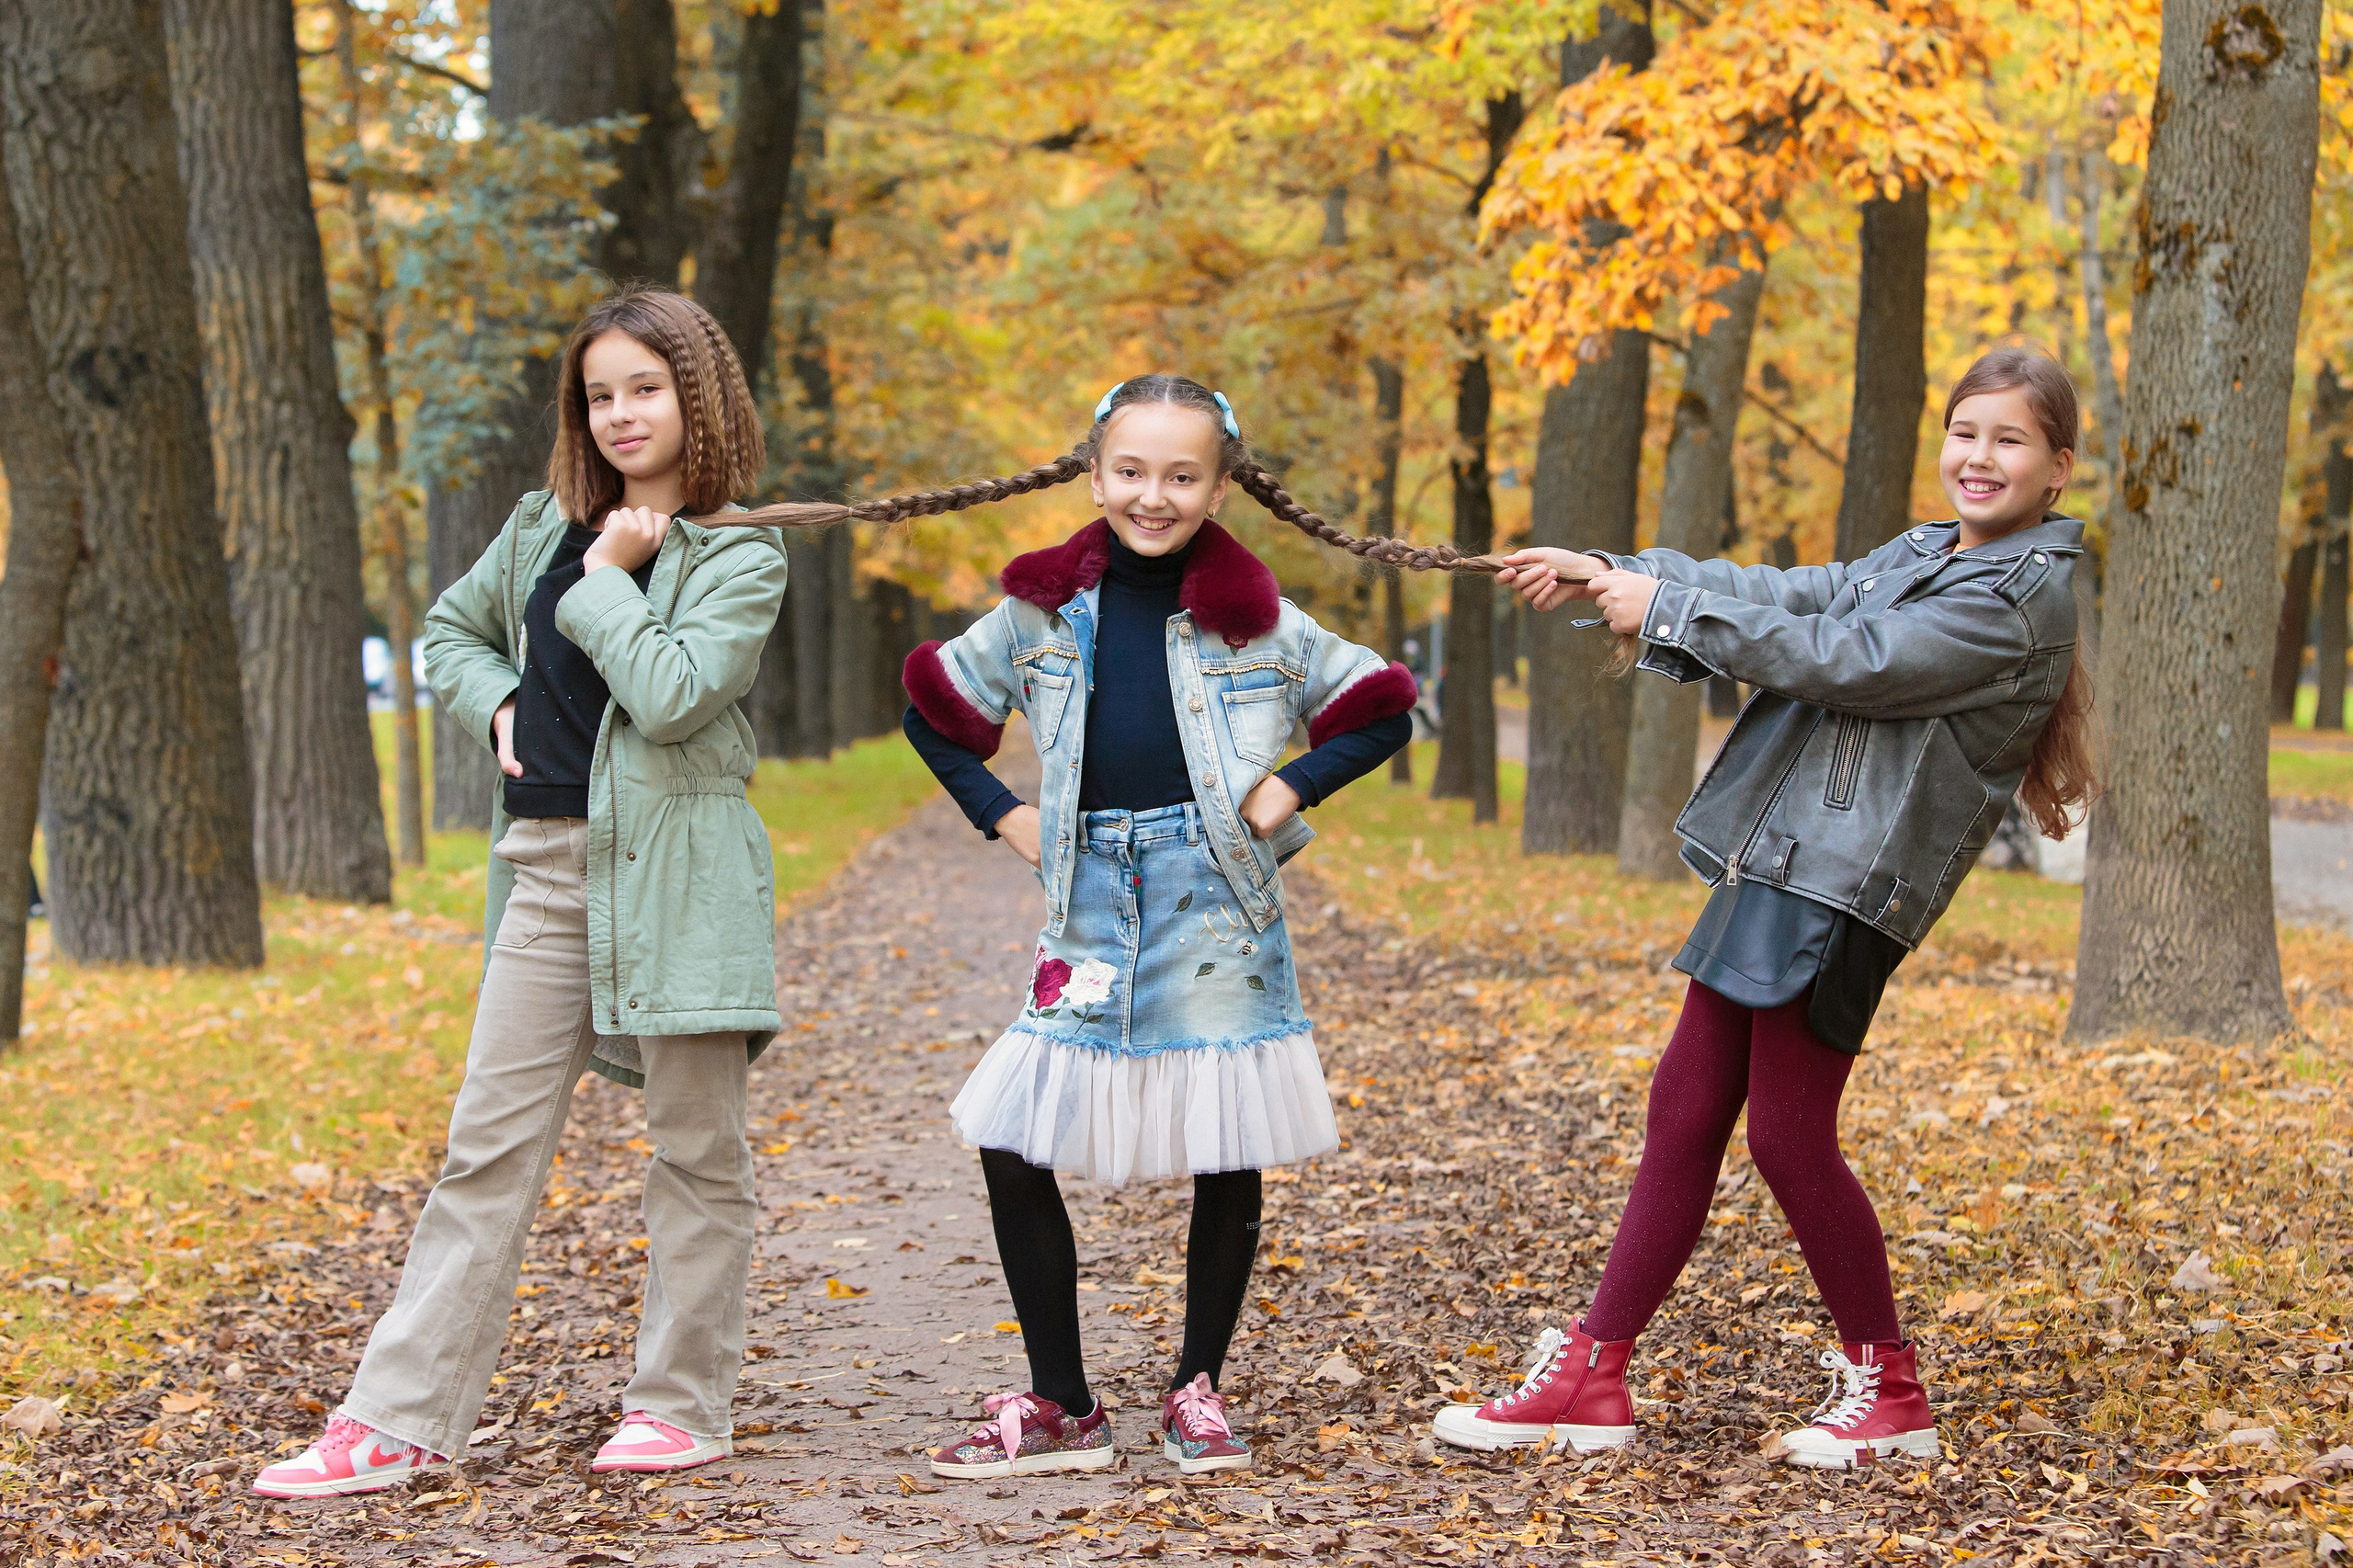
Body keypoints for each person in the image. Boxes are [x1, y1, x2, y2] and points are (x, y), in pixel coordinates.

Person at [1433, 346, 2097, 1470]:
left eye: (2009, 440)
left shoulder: (2016, 597)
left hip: (1840, 886)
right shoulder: (1926, 551)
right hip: (1783, 860)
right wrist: (1612, 570)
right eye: (1966, 432)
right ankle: (1595, 1370)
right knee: (1684, 1110)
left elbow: (1849, 657)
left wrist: (1668, 609)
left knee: (1789, 1137)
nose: (1977, 458)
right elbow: (1791, 595)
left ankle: (1889, 1389)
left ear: (2057, 466)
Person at [254, 288, 798, 1497]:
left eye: (644, 388)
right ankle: (399, 1417)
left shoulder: (738, 551)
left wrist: (607, 575)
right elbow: (452, 634)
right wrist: (495, 698)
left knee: (696, 1150)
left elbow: (670, 694)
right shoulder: (536, 526)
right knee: (483, 1151)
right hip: (547, 878)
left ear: (697, 393)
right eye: (599, 394)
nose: (619, 414)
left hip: (683, 877)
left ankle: (680, 1401)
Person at [882, 376, 1417, 1479]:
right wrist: (1006, 813)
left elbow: (1380, 702)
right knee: (1012, 1131)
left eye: (1182, 475)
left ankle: (1196, 1388)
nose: (1153, 494)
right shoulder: (1038, 612)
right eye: (1131, 470)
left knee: (1225, 1136)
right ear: (1094, 474)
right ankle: (1066, 1399)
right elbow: (933, 710)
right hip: (1086, 902)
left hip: (1216, 900)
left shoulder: (1259, 618)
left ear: (1220, 488)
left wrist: (1293, 787)